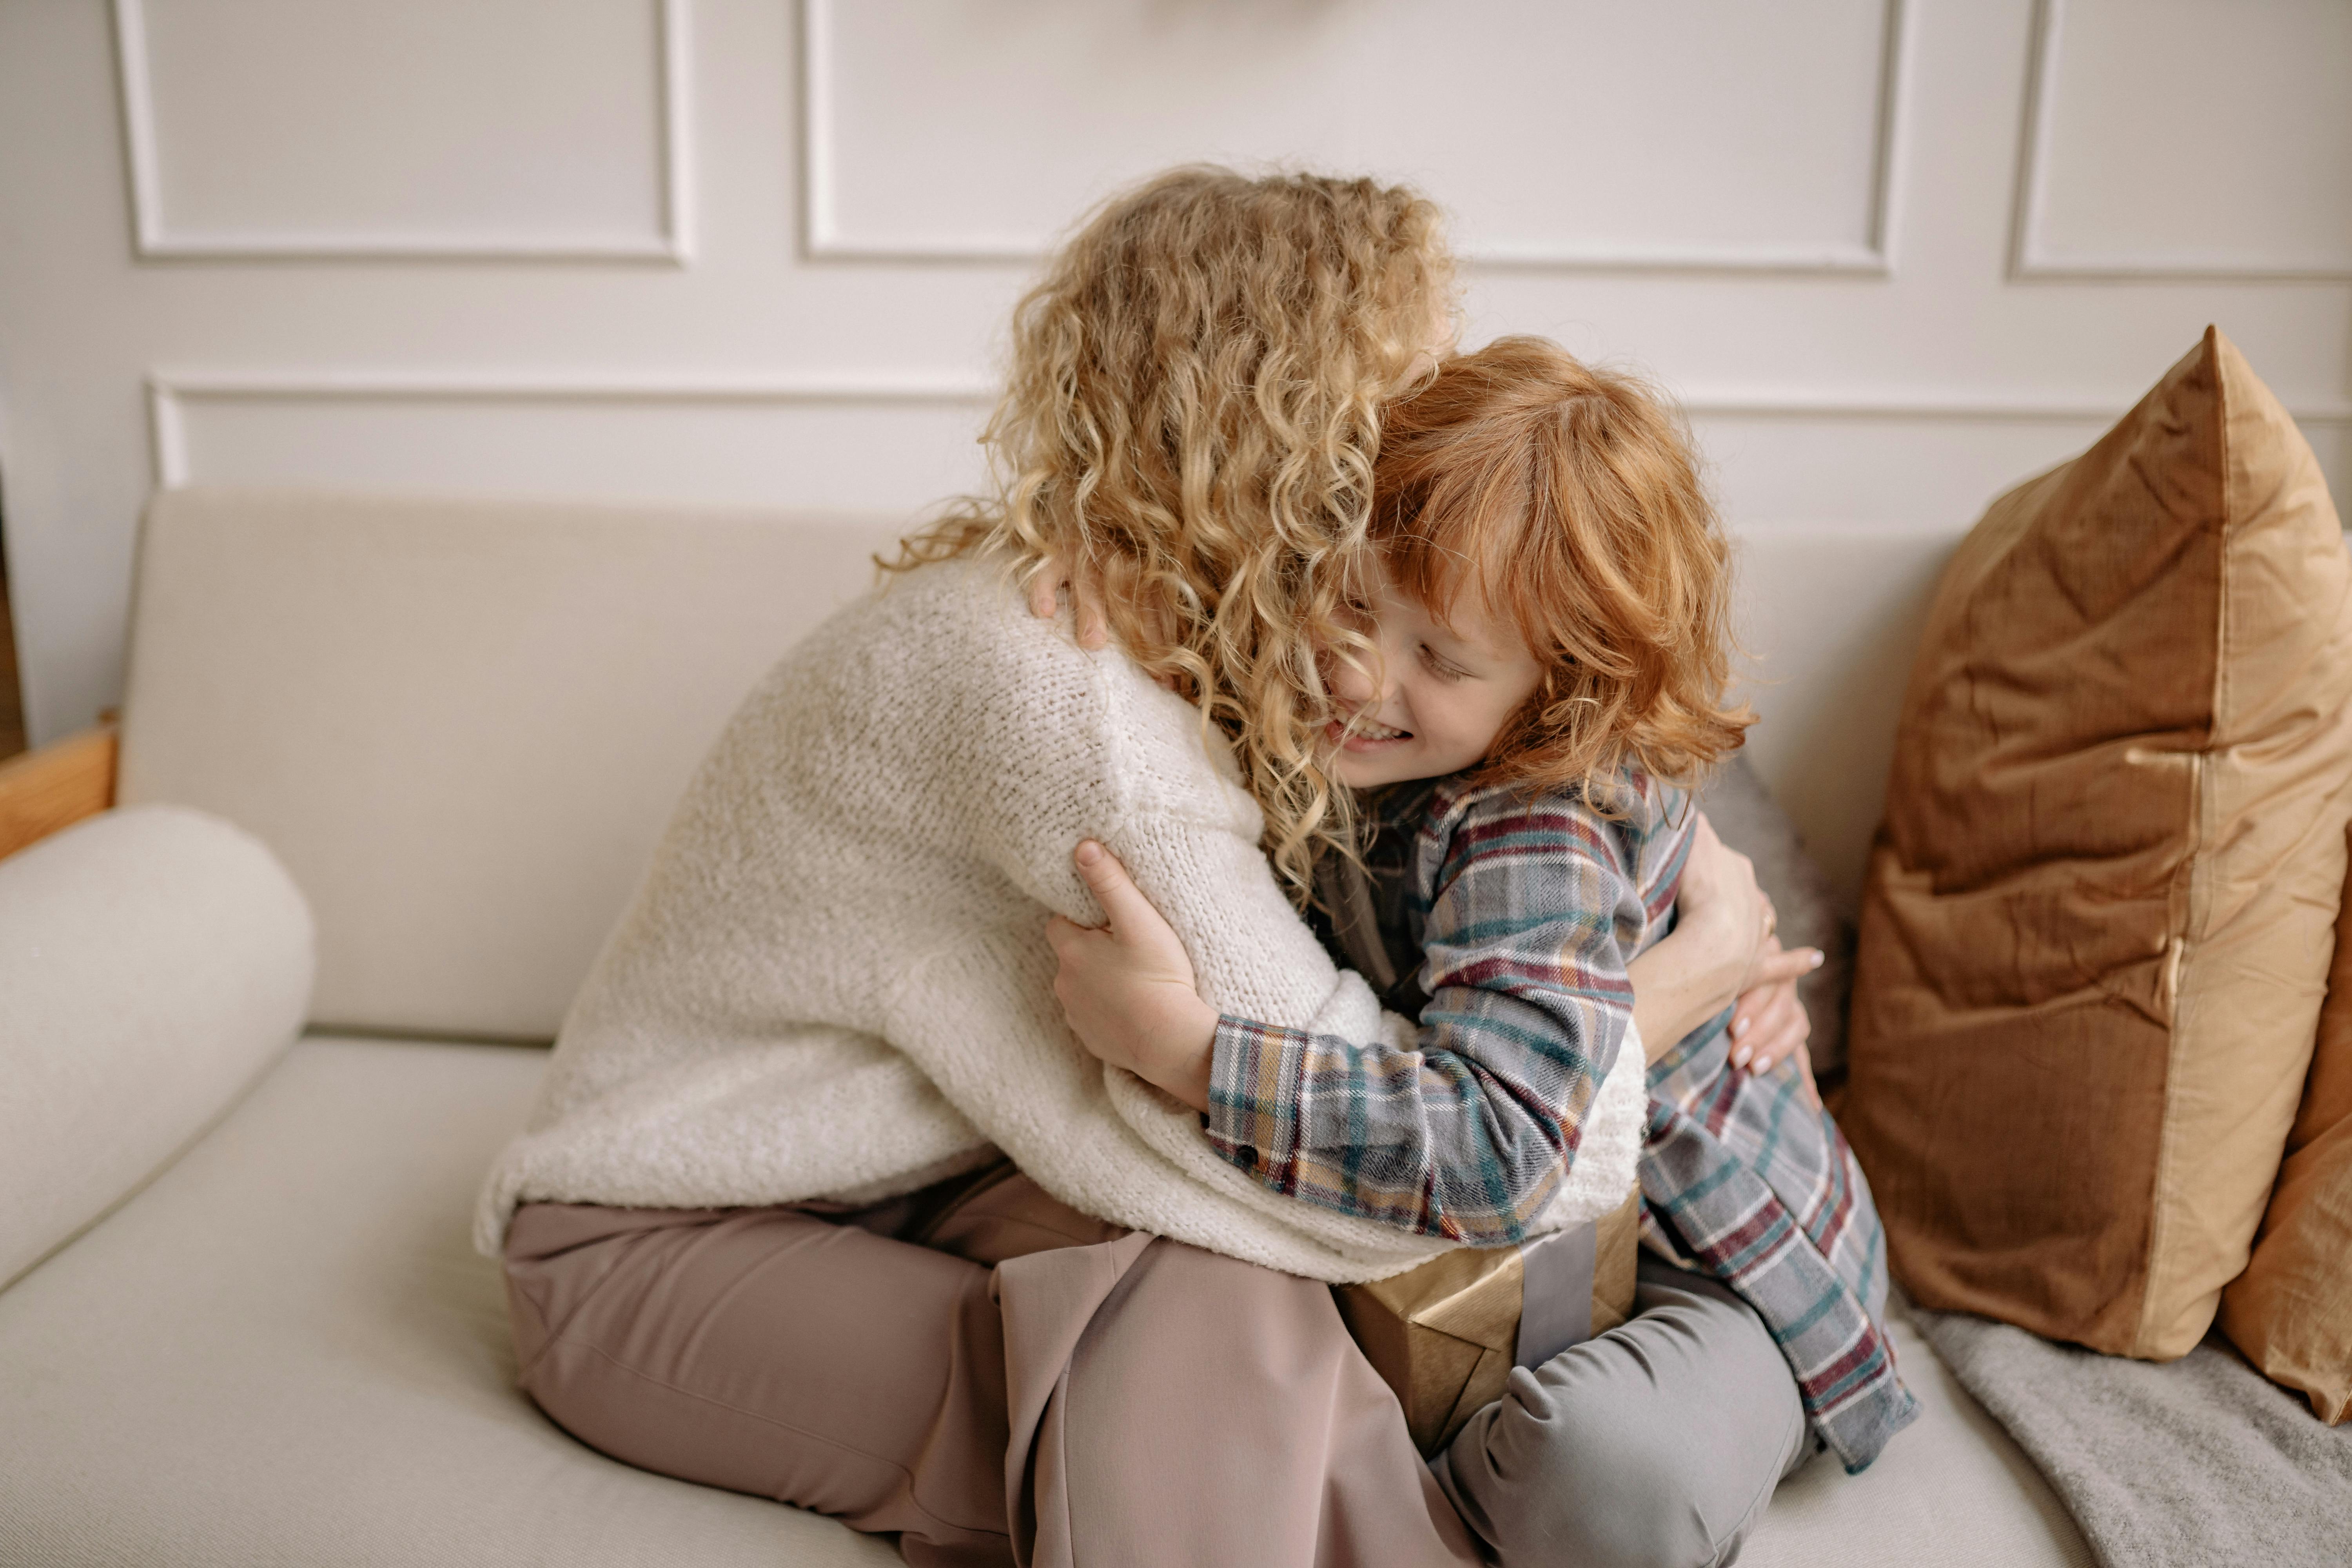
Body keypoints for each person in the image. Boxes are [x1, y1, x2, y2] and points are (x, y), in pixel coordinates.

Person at [485, 168, 1811, 1567]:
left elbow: (1549, 827)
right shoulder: (1080, 705)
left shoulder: (1221, 647)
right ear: (1287, 433)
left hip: (929, 1171)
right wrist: (1681, 986)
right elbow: (1451, 1168)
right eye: (1405, 392)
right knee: (1187, 1327)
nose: (1433, 427)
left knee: (1230, 1304)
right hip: (652, 1240)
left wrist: (1655, 914)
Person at [1047, 337, 1916, 1564]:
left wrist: (1196, 1058)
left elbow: (1504, 1146)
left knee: (1603, 1477)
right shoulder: (1338, 704)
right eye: (1351, 600)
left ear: (1557, 695)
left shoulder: (1538, 826)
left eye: (1438, 658)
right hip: (1517, 1270)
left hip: (1709, 1245)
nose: (1355, 669)